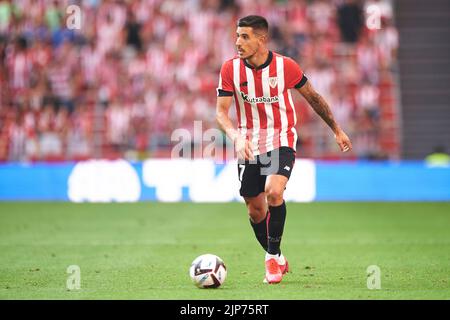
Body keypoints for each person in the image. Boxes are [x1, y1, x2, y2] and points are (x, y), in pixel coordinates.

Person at [215, 15, 352, 284]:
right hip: (249, 144)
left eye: (245, 37)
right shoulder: (230, 69)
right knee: (255, 210)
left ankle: (271, 259)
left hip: (281, 138)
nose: (238, 42)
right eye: (237, 36)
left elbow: (313, 97)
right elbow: (221, 113)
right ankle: (278, 258)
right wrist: (235, 136)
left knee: (273, 192)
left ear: (261, 39)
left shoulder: (285, 66)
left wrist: (336, 129)